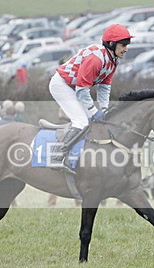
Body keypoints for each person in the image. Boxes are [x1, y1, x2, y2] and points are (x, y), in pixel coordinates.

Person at [48, 23, 132, 171]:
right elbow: (82, 89)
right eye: (123, 44)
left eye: (127, 44)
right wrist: (94, 111)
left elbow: (104, 87)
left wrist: (104, 109)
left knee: (91, 122)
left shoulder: (113, 59)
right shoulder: (96, 59)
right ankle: (56, 156)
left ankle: (79, 157)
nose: (126, 48)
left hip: (74, 87)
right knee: (81, 121)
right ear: (112, 43)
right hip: (62, 85)